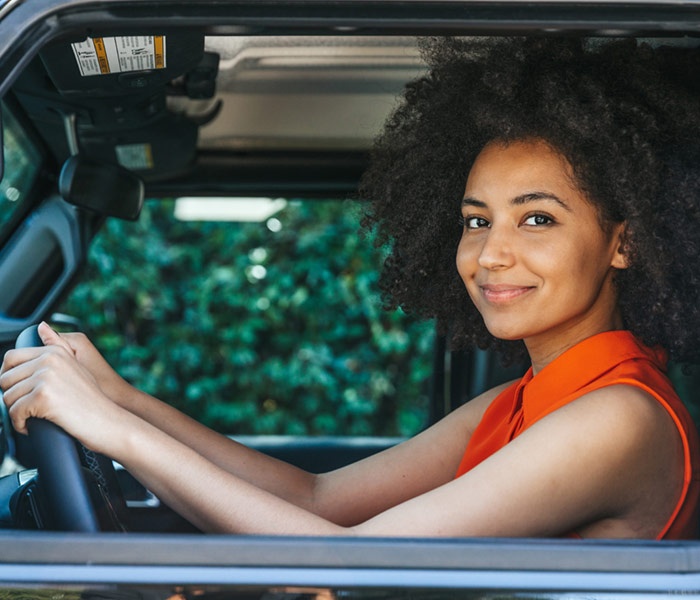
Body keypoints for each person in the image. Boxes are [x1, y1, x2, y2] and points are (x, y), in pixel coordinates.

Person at [2, 37, 700, 539]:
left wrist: (113, 429)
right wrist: (125, 400)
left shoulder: (619, 418)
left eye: (538, 218)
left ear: (625, 240)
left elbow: (341, 563)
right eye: (475, 220)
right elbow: (320, 497)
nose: (491, 254)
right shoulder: (524, 401)